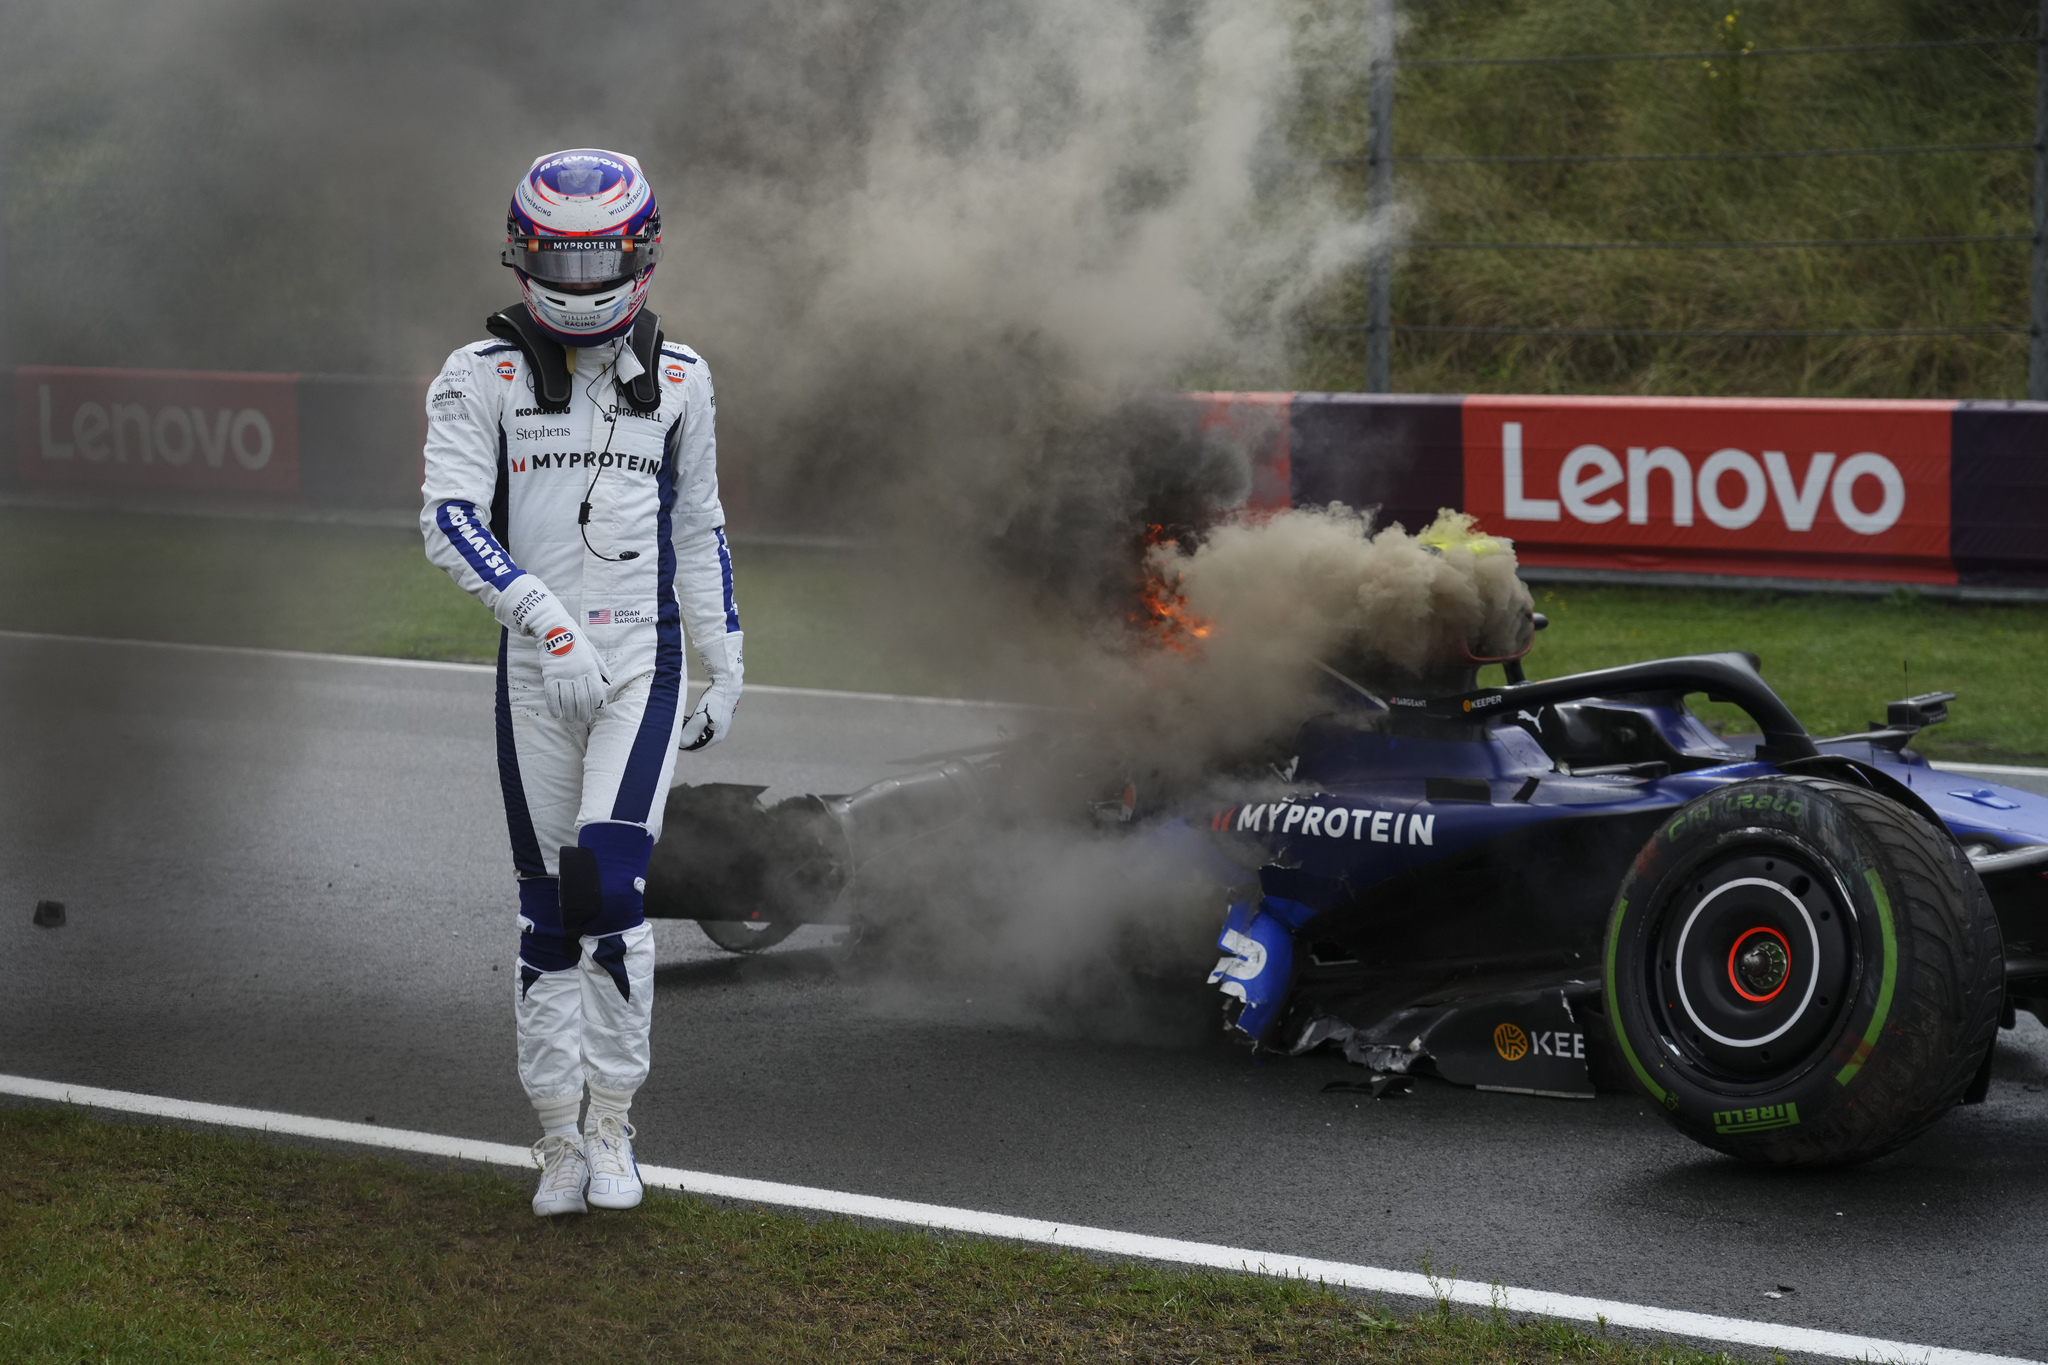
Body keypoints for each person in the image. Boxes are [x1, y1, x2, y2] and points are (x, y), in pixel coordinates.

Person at [420, 148, 743, 1216]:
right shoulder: (480, 375)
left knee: (610, 882)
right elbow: (448, 519)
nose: (577, 273)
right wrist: (542, 620)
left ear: (639, 253)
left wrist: (723, 651)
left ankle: (615, 1125)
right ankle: (557, 1141)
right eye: (556, 254)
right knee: (547, 914)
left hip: (639, 668)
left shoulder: (685, 379)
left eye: (597, 251)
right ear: (521, 256)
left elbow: (699, 527)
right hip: (535, 674)